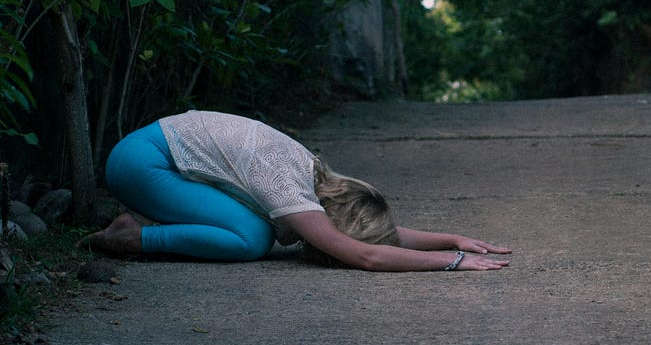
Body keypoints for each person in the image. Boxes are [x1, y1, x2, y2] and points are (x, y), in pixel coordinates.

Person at [80, 110, 511, 271]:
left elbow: (366, 238)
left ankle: (135, 230)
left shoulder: (315, 180)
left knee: (253, 231)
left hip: (148, 153)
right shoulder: (289, 189)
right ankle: (133, 238)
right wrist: (451, 261)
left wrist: (449, 236)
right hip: (141, 163)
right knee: (252, 239)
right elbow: (363, 252)